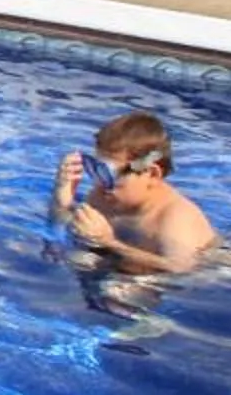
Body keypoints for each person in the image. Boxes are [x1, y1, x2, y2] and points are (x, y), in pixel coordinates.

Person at [51, 111, 218, 276]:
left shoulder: (175, 217)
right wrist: (62, 199)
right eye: (95, 169)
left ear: (152, 174)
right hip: (128, 259)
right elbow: (61, 230)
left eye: (109, 173)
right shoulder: (104, 195)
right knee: (76, 259)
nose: (100, 183)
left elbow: (182, 269)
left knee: (121, 292)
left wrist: (109, 243)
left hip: (206, 269)